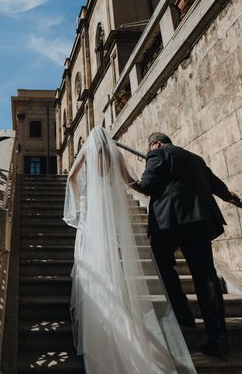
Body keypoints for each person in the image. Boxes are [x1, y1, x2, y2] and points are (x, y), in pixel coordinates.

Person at [64, 127, 195, 373]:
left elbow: (71, 176)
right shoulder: (115, 153)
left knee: (89, 263)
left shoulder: (86, 152)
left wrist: (81, 200)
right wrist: (151, 187)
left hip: (91, 217)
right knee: (111, 260)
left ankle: (99, 319)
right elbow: (131, 181)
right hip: (109, 216)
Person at [130, 132, 239, 358]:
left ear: (156, 144)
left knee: (162, 264)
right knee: (206, 277)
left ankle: (182, 313)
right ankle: (218, 340)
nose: (149, 152)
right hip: (200, 221)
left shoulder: (157, 154)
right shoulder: (195, 158)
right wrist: (229, 196)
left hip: (169, 221)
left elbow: (147, 185)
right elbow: (216, 184)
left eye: (149, 148)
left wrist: (129, 180)